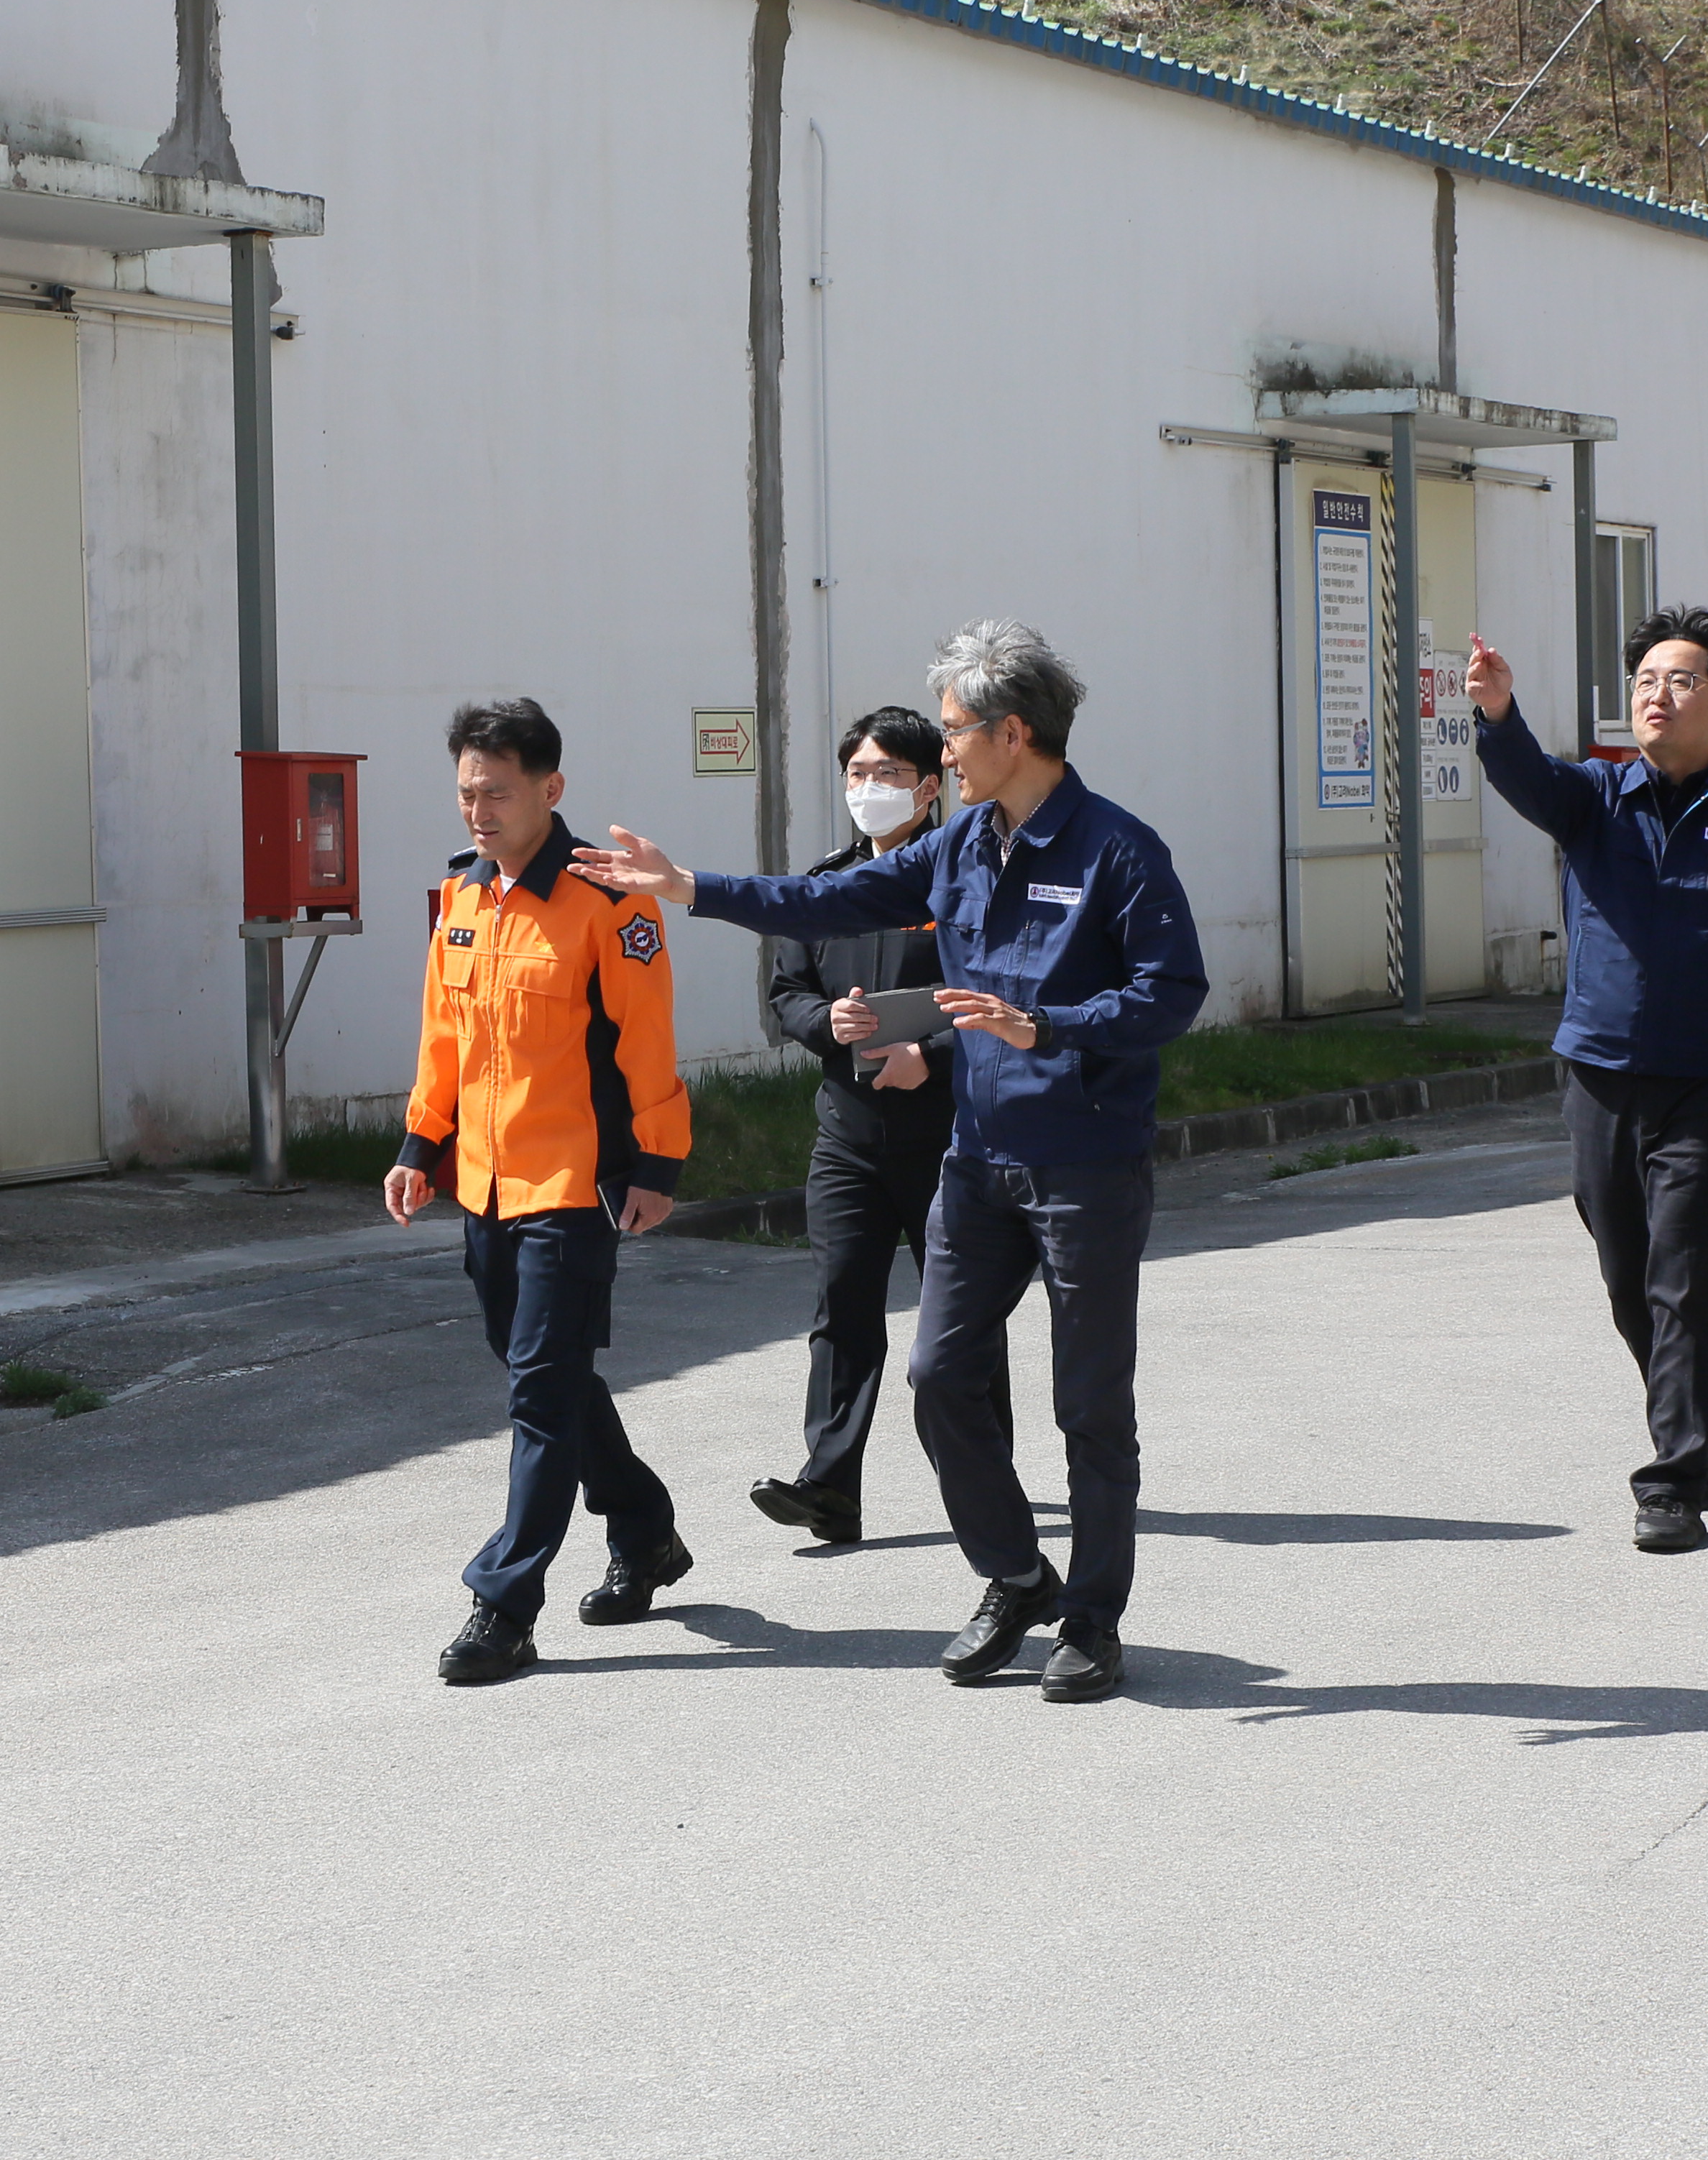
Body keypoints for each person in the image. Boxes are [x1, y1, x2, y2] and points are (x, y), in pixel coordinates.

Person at [573, 622, 1206, 1704]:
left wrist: (1047, 1026)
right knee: (936, 1377)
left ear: (1013, 732)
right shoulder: (958, 846)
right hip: (978, 1161)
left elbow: (1171, 993)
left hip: (1086, 1167)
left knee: (1090, 1407)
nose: (942, 752)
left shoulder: (1118, 849)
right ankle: (1017, 1575)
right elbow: (824, 901)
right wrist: (687, 887)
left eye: (954, 732)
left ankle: (1093, 1619)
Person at [1464, 607, 1708, 1555]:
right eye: (1644, 682)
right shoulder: (1595, 797)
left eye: (1680, 680)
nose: (1657, 696)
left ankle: (1673, 1480)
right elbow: (1526, 777)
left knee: (1690, 1281)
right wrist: (1498, 713)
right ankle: (1707, 1426)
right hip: (1601, 1076)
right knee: (1631, 1278)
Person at [386, 699, 696, 1683]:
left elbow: (646, 1040)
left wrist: (657, 1166)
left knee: (539, 1395)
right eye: (467, 793)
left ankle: (505, 1604)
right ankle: (643, 1527)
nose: (479, 811)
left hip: (571, 1184)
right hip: (484, 1184)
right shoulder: (462, 897)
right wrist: (419, 1145)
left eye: (498, 793)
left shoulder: (608, 901)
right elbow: (445, 1038)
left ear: (550, 789)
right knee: (547, 1379)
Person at [751, 706, 1002, 1549]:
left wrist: (929, 1055)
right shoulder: (828, 886)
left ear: (930, 788)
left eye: (887, 774)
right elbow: (788, 993)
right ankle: (829, 1488)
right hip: (848, 1137)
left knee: (959, 1320)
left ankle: (983, 1475)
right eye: (857, 774)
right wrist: (828, 1024)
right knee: (842, 1310)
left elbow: (1003, 998)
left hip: (949, 1138)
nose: (869, 789)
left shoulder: (967, 884)